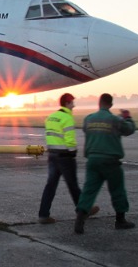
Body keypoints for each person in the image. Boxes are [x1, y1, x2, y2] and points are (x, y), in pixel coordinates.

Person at [74, 94, 136, 234]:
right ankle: (120, 220)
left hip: (93, 161)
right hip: (110, 161)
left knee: (89, 191)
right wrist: (127, 117)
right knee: (117, 190)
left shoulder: (88, 119)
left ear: (99, 103)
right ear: (110, 105)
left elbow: (86, 130)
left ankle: (79, 221)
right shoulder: (115, 120)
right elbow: (129, 130)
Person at [38, 93, 98, 224]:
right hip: (65, 157)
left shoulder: (51, 117)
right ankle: (84, 210)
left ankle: (43, 215)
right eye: (72, 103)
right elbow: (70, 140)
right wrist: (73, 153)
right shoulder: (67, 118)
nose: (74, 105)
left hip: (52, 155)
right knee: (73, 185)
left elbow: (49, 135)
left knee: (50, 186)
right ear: (67, 103)